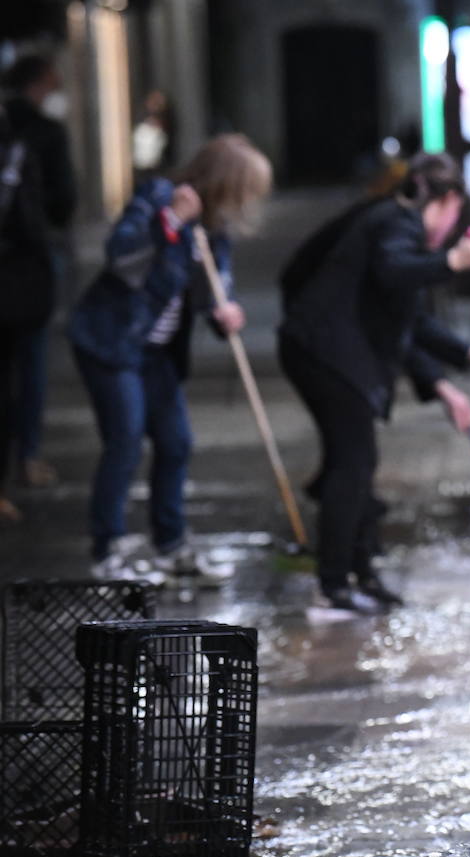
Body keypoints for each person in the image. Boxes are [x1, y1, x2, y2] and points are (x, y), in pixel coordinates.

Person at [277, 152, 470, 615]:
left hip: (326, 353)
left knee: (357, 463)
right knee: (353, 463)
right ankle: (335, 584)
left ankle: (362, 573)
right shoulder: (395, 226)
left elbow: (411, 322)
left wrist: (464, 355)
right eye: (456, 213)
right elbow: (393, 270)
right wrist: (453, 261)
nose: (454, 225)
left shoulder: (397, 228)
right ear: (444, 201)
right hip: (325, 353)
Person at [68, 133, 273, 581]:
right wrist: (171, 220)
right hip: (112, 340)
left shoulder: (215, 229)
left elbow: (215, 285)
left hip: (156, 351)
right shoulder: (160, 197)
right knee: (124, 440)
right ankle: (109, 548)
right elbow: (121, 257)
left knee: (176, 441)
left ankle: (171, 543)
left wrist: (225, 314)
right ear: (225, 183)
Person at [3, 53, 77, 492]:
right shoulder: (47, 133)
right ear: (44, 79)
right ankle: (27, 456)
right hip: (32, 256)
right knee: (31, 360)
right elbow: (63, 200)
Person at [0, 102, 56, 524]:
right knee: (15, 380)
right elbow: (36, 224)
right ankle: (24, 459)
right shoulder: (17, 156)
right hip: (13, 286)